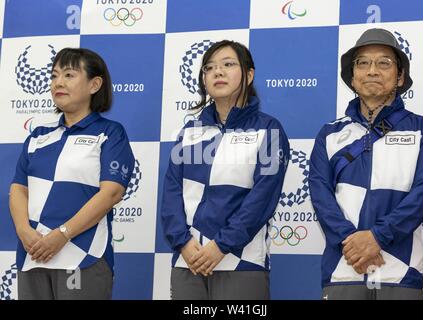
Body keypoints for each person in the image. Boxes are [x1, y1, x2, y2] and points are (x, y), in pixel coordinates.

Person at [309, 28, 423, 300]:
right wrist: (353, 244)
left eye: (384, 62)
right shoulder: (329, 133)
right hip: (343, 268)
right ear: (353, 77)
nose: (372, 71)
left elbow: (422, 195)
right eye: (363, 63)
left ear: (400, 76)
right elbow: (320, 195)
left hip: (401, 272)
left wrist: (377, 238)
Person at [161, 40, 290, 300]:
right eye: (209, 67)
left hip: (241, 262)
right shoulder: (189, 132)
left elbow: (262, 200)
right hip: (189, 260)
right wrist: (184, 243)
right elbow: (171, 192)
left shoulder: (269, 130)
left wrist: (221, 246)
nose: (217, 72)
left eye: (228, 64)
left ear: (249, 74)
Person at [9, 48, 135, 300]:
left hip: (84, 256)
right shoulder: (37, 136)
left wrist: (62, 235)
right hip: (32, 255)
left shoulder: (110, 133)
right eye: (54, 76)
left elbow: (111, 193)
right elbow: (18, 189)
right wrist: (24, 230)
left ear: (95, 84)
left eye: (69, 75)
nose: (58, 83)